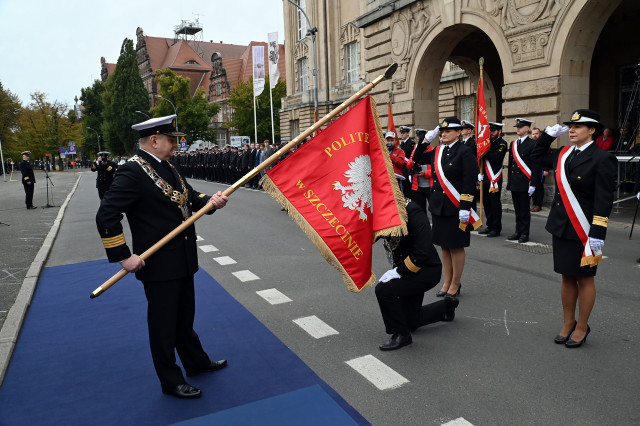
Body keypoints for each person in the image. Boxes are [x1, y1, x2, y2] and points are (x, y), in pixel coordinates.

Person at [96, 115, 229, 399]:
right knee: (163, 325)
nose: (177, 145)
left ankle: (196, 362)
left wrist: (210, 202)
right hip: (157, 264)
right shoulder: (132, 171)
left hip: (182, 257)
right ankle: (171, 380)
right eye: (172, 140)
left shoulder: (169, 165)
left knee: (184, 318)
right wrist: (123, 256)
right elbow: (106, 215)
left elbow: (189, 196)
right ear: (154, 141)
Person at [530, 109, 616, 348]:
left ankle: (582, 326)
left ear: (592, 130)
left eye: (579, 127)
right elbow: (536, 156)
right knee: (567, 276)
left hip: (585, 229)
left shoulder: (602, 158)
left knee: (585, 279)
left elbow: (604, 198)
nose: (572, 130)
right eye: (570, 127)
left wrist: (598, 232)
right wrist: (547, 136)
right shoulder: (564, 153)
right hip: (562, 226)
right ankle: (568, 322)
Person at [375, 198, 458, 351]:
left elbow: (423, 251)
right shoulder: (382, 211)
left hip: (425, 270)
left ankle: (402, 335)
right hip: (407, 271)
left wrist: (398, 272)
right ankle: (447, 306)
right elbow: (371, 235)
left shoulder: (412, 211)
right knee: (411, 322)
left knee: (383, 290)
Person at [429, 117, 479, 299]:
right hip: (439, 206)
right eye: (441, 132)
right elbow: (417, 159)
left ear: (458, 132)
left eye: (447, 131)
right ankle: (447, 281)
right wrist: (426, 140)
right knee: (444, 245)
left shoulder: (465, 152)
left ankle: (455, 283)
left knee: (456, 246)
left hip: (456, 206)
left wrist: (465, 206)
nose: (443, 134)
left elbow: (469, 181)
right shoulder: (438, 150)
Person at [507, 118, 535, 243]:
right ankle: (518, 231)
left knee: (524, 210)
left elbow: (535, 165)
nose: (518, 128)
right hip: (515, 182)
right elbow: (511, 165)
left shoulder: (532, 144)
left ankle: (525, 233)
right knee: (517, 210)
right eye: (517, 126)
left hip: (525, 182)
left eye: (521, 126)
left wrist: (533, 183)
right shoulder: (513, 144)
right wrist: (509, 182)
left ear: (527, 128)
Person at [478, 122, 508, 237]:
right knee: (486, 203)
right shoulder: (487, 143)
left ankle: (496, 228)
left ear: (499, 131)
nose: (491, 133)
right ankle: (489, 225)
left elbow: (495, 158)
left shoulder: (502, 143)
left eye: (494, 131)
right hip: (485, 177)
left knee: (495, 204)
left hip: (495, 178)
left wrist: (485, 150)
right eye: (490, 131)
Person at [530, 127, 548, 212]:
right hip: (532, 169)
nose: (535, 135)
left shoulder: (544, 143)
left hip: (541, 169)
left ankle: (538, 204)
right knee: (532, 185)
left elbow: (548, 156)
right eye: (533, 134)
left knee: (539, 187)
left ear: (540, 134)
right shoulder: (530, 143)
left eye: (536, 134)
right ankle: (534, 203)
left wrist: (546, 169)